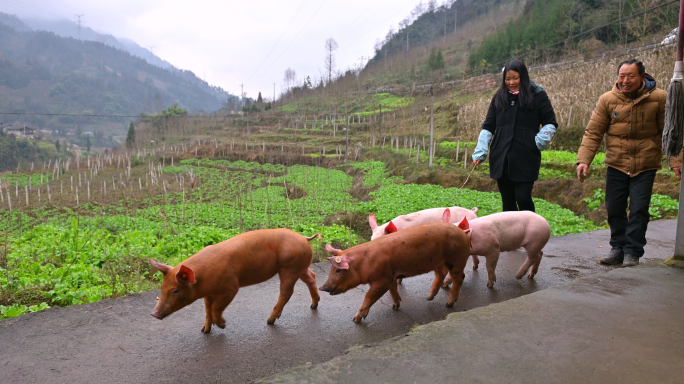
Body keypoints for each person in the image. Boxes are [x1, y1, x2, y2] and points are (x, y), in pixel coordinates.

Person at [576, 59, 667, 267]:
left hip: (646, 163)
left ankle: (633, 251)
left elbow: (670, 133)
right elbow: (593, 133)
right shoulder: (608, 100)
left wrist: (676, 161)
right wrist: (583, 160)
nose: (625, 81)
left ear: (643, 77)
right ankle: (618, 247)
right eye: (621, 76)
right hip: (616, 163)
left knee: (639, 208)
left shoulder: (660, 98)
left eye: (631, 76)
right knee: (615, 207)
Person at [472, 59, 558, 212]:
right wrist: (481, 150)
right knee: (508, 201)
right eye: (507, 79)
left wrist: (539, 141)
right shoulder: (499, 97)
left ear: (523, 77)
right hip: (501, 155)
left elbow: (550, 122)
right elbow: (489, 126)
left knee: (523, 197)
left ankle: (531, 233)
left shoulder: (537, 95)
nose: (511, 82)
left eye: (515, 78)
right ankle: (511, 236)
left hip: (526, 155)